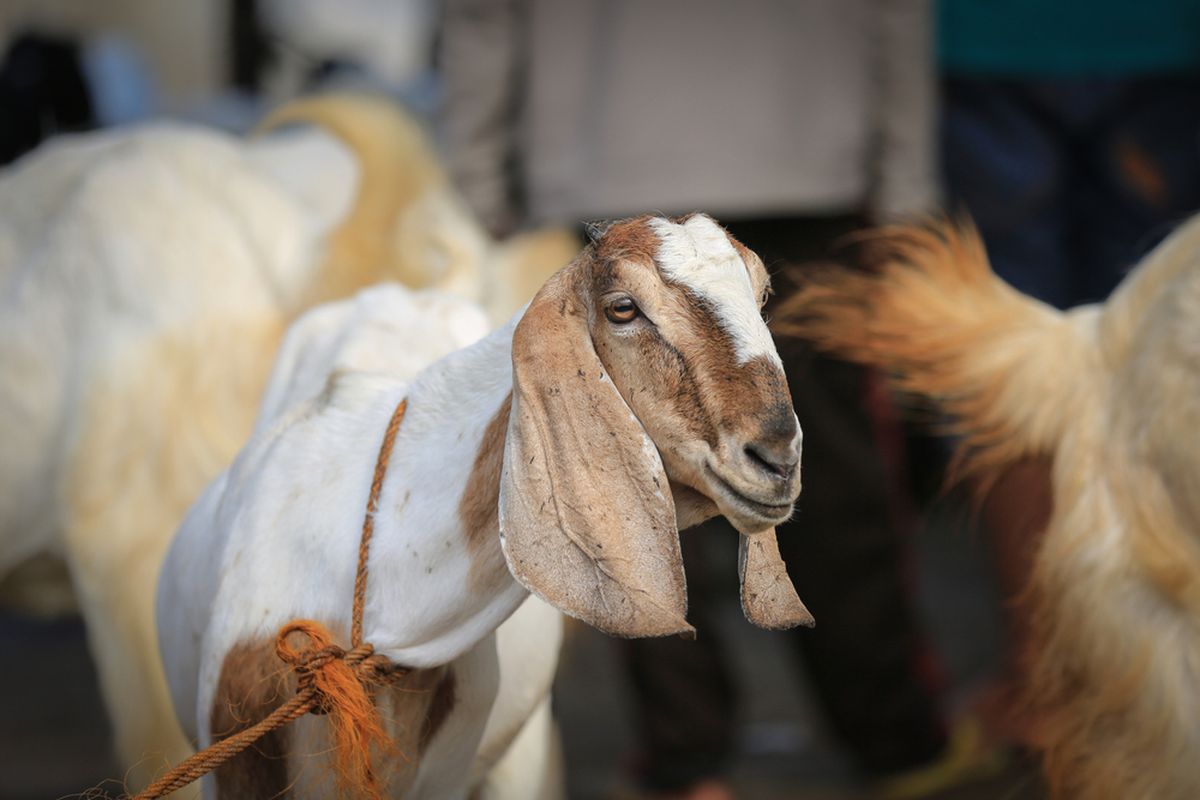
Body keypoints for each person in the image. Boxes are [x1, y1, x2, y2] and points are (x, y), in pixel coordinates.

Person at [439, 2, 984, 797]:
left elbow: (483, 16)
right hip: (802, 163)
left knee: (638, 489)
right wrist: (904, 195)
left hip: (608, 170)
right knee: (829, 479)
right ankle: (898, 742)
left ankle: (687, 764)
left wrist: (481, 182)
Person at [939, 0, 1200, 748]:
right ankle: (1162, 677)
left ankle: (1039, 683)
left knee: (1011, 366)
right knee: (1162, 359)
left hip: (990, 42)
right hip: (1162, 43)